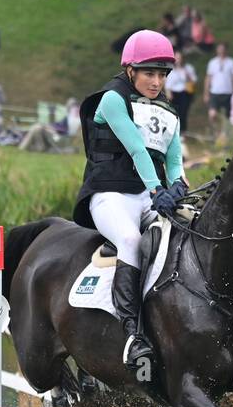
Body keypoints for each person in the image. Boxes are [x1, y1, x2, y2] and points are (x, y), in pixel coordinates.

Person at [70, 29, 187, 377]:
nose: (156, 81)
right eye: (149, 73)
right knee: (131, 241)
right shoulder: (112, 99)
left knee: (191, 231)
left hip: (147, 197)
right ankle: (133, 332)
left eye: (162, 74)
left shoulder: (167, 109)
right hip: (109, 196)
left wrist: (177, 186)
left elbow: (175, 159)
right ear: (131, 70)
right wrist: (157, 191)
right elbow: (136, 148)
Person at [205, 42, 233, 136]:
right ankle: (215, 133)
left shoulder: (231, 62)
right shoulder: (212, 62)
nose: (221, 51)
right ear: (217, 50)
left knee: (227, 116)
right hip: (215, 92)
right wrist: (206, 93)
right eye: (219, 49)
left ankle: (224, 135)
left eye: (223, 49)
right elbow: (208, 78)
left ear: (226, 50)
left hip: (228, 92)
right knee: (212, 114)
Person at [164, 50, 197, 135]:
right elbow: (167, 83)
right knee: (174, 113)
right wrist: (168, 93)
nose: (179, 60)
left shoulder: (188, 68)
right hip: (174, 93)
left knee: (183, 113)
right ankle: (174, 132)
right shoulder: (171, 70)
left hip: (185, 93)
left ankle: (183, 132)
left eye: (180, 58)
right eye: (177, 58)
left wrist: (187, 75)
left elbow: (193, 81)